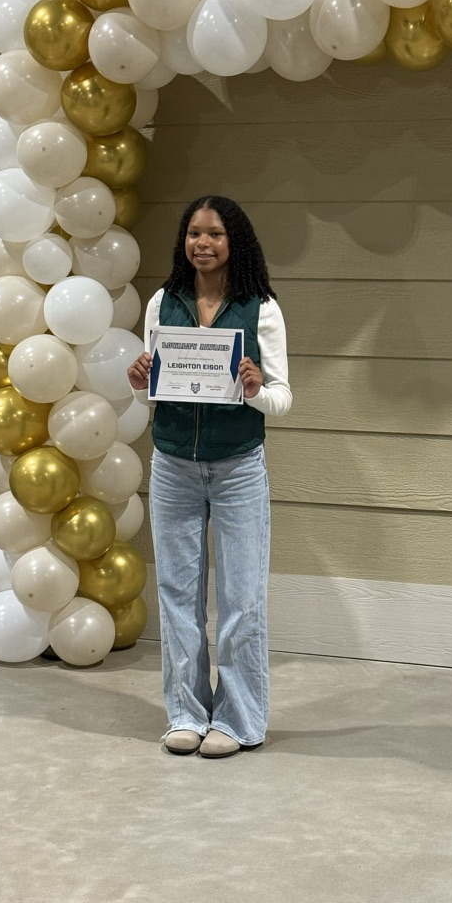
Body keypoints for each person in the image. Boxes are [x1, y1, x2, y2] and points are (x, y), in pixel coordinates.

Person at [127, 195, 292, 759]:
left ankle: (239, 721)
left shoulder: (260, 307)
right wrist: (139, 381)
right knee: (177, 594)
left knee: (242, 598)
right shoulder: (162, 302)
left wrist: (255, 391)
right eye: (194, 232)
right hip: (172, 465)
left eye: (215, 234)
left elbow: (282, 398)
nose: (203, 243)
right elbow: (154, 391)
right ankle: (186, 713)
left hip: (238, 467)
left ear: (234, 241)